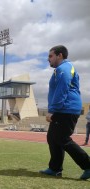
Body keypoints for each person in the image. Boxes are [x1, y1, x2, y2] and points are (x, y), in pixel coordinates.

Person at [39, 45, 90, 180]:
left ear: (59, 55)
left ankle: (88, 165)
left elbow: (62, 89)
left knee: (62, 138)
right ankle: (55, 168)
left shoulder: (64, 68)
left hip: (65, 108)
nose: (48, 59)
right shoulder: (63, 68)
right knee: (52, 138)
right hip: (65, 108)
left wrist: (52, 110)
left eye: (50, 56)